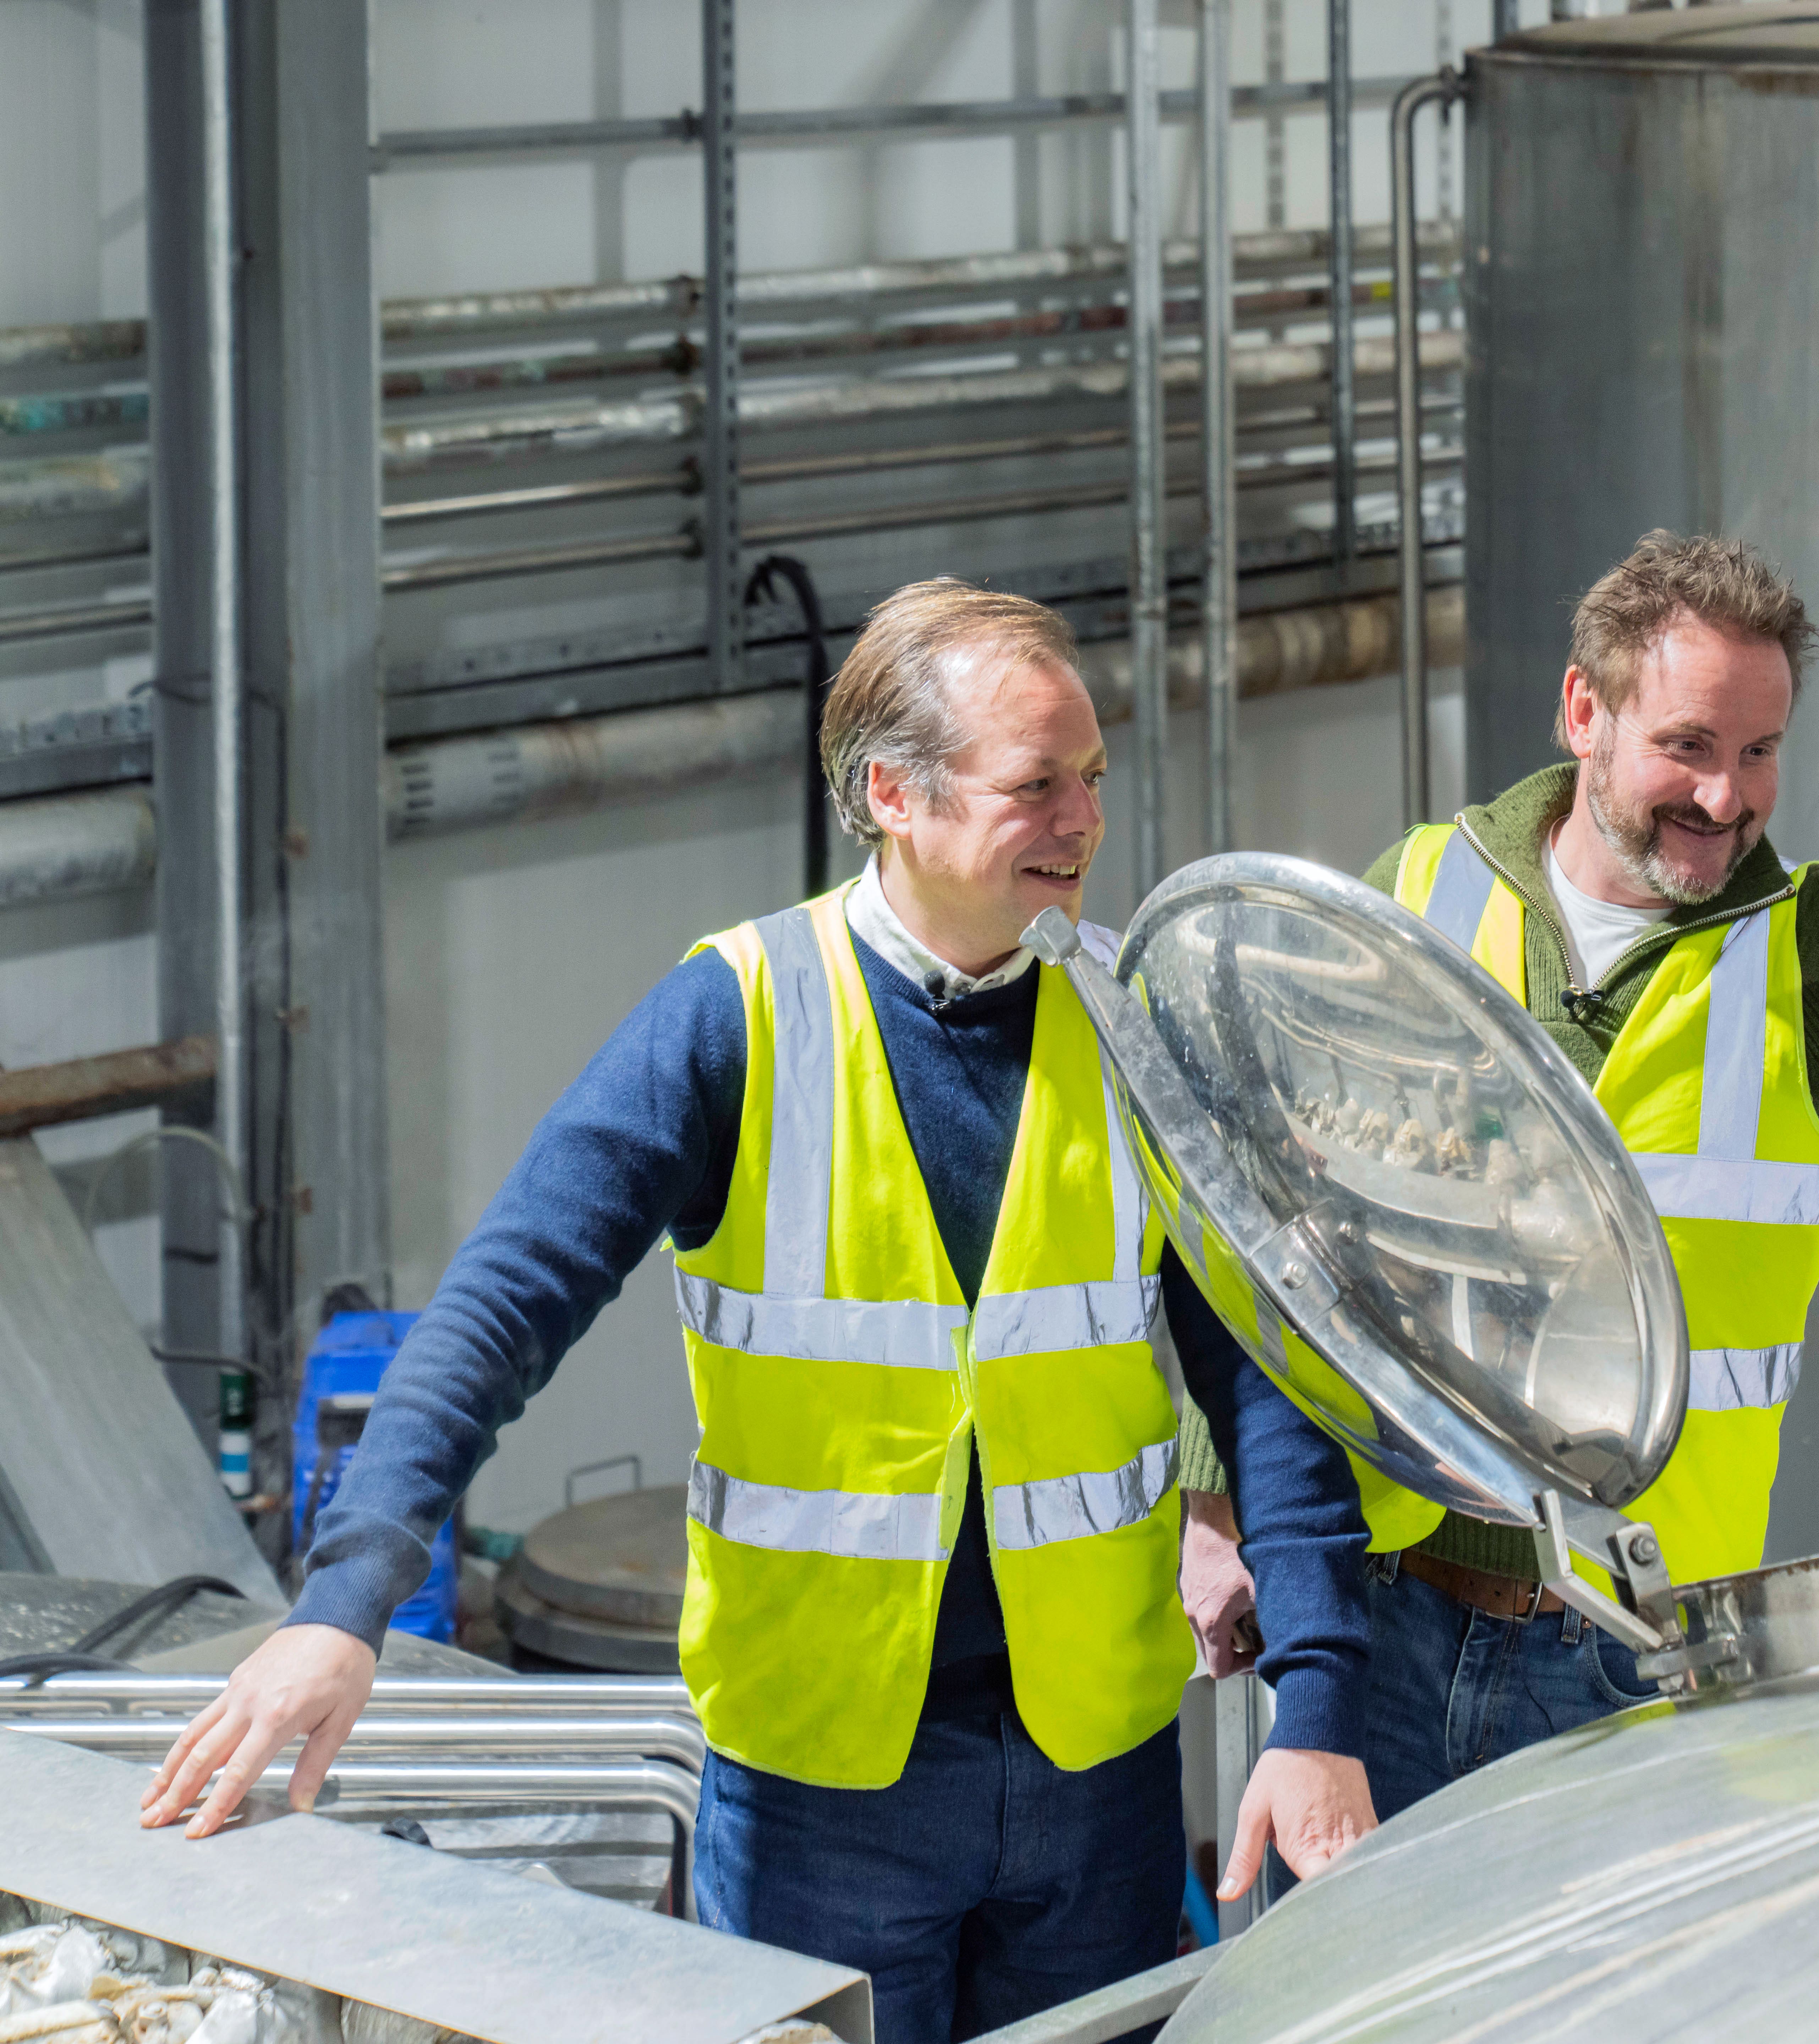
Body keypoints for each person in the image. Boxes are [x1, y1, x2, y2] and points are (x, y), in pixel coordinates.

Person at [139, 581, 1379, 2043]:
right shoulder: (736, 1016)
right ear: (893, 796)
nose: (1083, 821)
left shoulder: (1141, 1021)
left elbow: (1265, 1375)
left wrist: (1316, 1701)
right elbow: (498, 1310)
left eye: (1094, 778)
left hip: (1096, 1779)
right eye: (1036, 785)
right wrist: (345, 1602)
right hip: (819, 1799)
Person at [1179, 529, 1819, 1820]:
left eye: (1760, 752)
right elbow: (1265, 1210)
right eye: (1690, 746)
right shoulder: (1417, 894)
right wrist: (1217, 1497)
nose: (1726, 798)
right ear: (1583, 714)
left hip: (1636, 1657)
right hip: (1380, 1620)